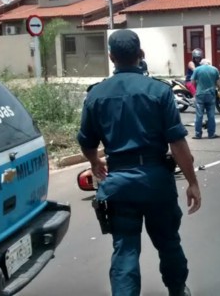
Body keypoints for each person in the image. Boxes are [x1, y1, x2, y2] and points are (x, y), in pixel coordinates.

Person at [77, 29, 201, 296]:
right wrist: (192, 182)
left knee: (125, 249)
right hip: (156, 181)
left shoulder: (96, 95)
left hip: (119, 184)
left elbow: (86, 141)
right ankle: (178, 290)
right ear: (141, 55)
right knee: (168, 243)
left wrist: (94, 160)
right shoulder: (159, 91)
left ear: (111, 57)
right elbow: (178, 144)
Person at [191, 59, 220, 139]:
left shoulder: (197, 69)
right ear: (209, 63)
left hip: (200, 94)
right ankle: (211, 134)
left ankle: (198, 134)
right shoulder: (215, 69)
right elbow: (218, 83)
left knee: (199, 115)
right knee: (211, 115)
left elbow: (192, 83)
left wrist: (195, 91)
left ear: (201, 64)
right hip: (211, 95)